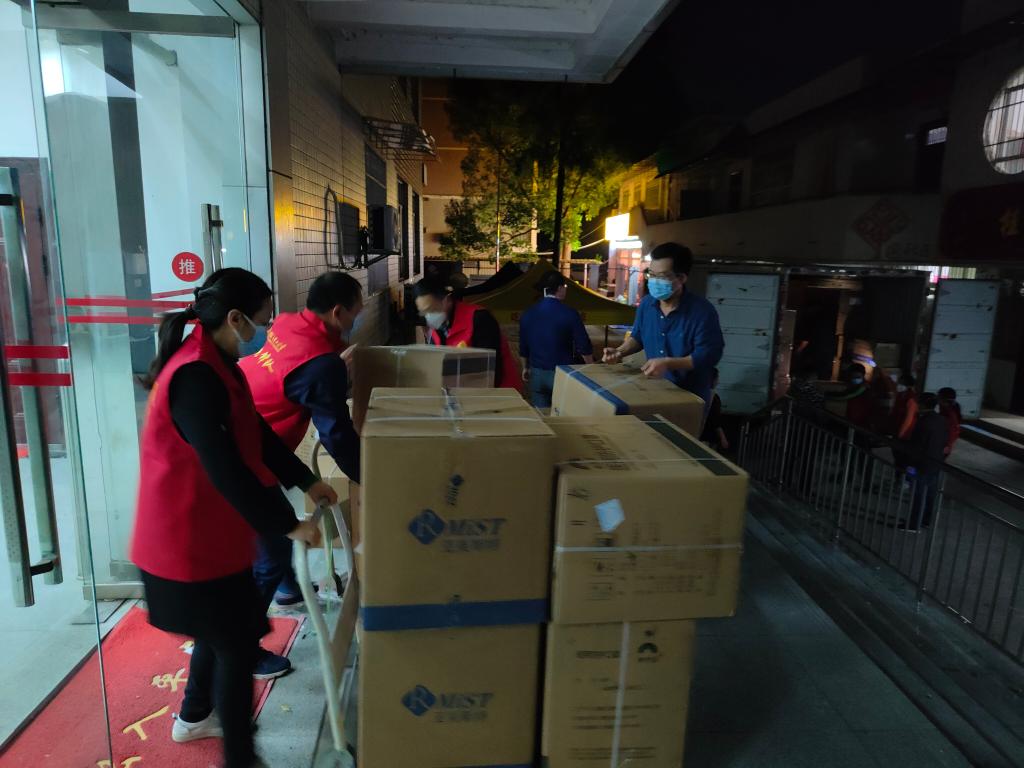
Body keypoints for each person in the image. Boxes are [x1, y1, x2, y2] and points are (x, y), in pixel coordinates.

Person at [131, 268, 335, 768]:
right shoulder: (195, 376)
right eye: (262, 321)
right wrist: (287, 524)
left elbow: (255, 432)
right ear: (236, 318)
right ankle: (238, 756)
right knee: (236, 643)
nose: (264, 331)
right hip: (183, 542)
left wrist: (305, 480)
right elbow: (224, 467)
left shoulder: (217, 364)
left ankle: (195, 716)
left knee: (227, 636)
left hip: (211, 535)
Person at [238, 271, 363, 677]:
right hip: (249, 456)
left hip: (253, 436)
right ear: (338, 311)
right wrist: (369, 476)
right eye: (356, 312)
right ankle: (244, 651)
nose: (357, 319)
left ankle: (289, 588)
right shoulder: (321, 365)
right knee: (271, 552)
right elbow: (336, 434)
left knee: (277, 532)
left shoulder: (290, 322)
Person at [602, 242, 725, 410]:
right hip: (654, 390)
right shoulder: (647, 304)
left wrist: (668, 363)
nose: (654, 281)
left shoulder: (702, 312)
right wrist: (619, 352)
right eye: (651, 274)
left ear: (681, 278)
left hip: (690, 397)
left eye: (661, 276)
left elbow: (708, 355)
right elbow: (638, 337)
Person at [414, 276, 522, 390]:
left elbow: (492, 371)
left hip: (499, 392)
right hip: (461, 392)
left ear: (446, 301)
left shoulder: (479, 319)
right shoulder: (437, 329)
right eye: (424, 312)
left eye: (431, 309)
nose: (428, 316)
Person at [518, 271, 594, 408]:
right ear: (559, 288)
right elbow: (583, 345)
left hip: (537, 374)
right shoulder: (570, 313)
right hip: (562, 374)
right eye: (565, 286)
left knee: (542, 415)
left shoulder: (528, 314)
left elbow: (523, 346)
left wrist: (525, 368)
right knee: (563, 415)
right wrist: (591, 367)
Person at [904, 392, 948, 531]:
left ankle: (914, 524)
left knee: (918, 494)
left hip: (921, 464)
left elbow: (917, 445)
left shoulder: (923, 422)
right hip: (936, 462)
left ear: (922, 404)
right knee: (930, 495)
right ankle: (926, 521)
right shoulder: (941, 420)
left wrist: (910, 465)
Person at [827, 363, 875, 430]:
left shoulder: (863, 388)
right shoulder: (855, 387)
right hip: (853, 422)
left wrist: (826, 394)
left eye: (858, 377)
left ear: (863, 376)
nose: (855, 379)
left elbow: (844, 396)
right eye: (853, 377)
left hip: (859, 424)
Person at [700, 368, 729, 451]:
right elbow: (715, 420)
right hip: (707, 438)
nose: (718, 382)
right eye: (717, 379)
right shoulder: (713, 397)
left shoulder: (695, 392)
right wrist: (723, 438)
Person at [891, 372, 919, 440]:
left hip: (905, 434)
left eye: (902, 383)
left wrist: (901, 434)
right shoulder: (899, 395)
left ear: (908, 385)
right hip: (896, 429)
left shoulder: (911, 398)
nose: (898, 385)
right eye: (899, 382)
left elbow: (908, 419)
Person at [938, 387, 962, 457]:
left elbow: (952, 434)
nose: (937, 400)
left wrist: (946, 448)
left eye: (938, 397)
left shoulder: (950, 415)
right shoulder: (946, 410)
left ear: (943, 400)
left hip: (942, 447)